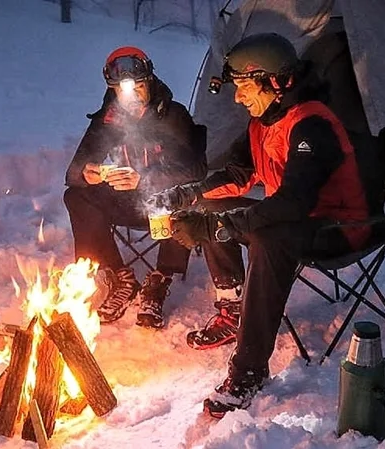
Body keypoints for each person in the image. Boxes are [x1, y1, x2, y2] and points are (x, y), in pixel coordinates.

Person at [149, 33, 371, 418]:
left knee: (267, 237)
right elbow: (237, 172)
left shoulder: (311, 124)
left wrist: (215, 229)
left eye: (244, 87)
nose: (237, 97)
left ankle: (248, 372)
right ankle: (232, 304)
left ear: (277, 82)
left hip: (336, 228)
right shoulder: (263, 122)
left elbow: (293, 204)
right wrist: (186, 195)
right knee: (214, 205)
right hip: (294, 220)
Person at [64, 46, 206, 329]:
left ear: (149, 82)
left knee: (180, 200)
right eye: (122, 90)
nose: (132, 96)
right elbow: (73, 172)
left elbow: (196, 171)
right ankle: (120, 277)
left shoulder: (172, 116)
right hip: (125, 202)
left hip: (164, 203)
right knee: (77, 196)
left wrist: (145, 178)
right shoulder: (107, 120)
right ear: (112, 90)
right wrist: (88, 173)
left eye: (139, 86)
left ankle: (160, 279)